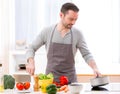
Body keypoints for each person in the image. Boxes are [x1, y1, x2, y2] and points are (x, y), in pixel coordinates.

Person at [26, 2, 101, 83]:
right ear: (61, 15)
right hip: (50, 81)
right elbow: (31, 48)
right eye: (71, 19)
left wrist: (95, 68)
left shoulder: (77, 34)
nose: (73, 23)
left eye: (75, 19)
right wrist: (31, 62)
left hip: (70, 82)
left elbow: (86, 54)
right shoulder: (47, 31)